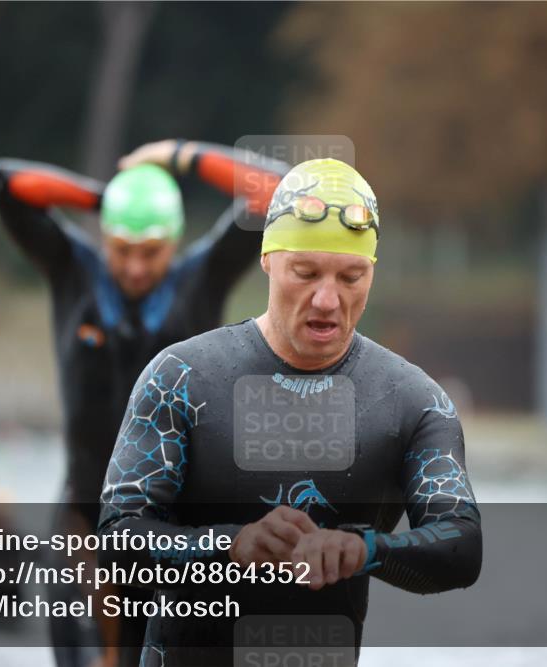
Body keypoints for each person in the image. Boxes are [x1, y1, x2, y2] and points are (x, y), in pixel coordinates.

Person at [97, 158, 483, 666]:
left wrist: (365, 550)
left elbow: (461, 546)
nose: (327, 299)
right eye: (305, 272)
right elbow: (117, 539)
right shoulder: (181, 377)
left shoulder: (411, 400)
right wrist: (231, 547)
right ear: (268, 260)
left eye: (351, 276)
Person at [0, 140, 288, 667]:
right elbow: (2, 182)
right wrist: (110, 198)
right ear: (104, 239)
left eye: (151, 251)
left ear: (173, 239)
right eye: (121, 248)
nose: (136, 266)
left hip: (178, 521)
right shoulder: (73, 270)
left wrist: (182, 156)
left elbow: (280, 191)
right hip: (84, 513)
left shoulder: (201, 277)